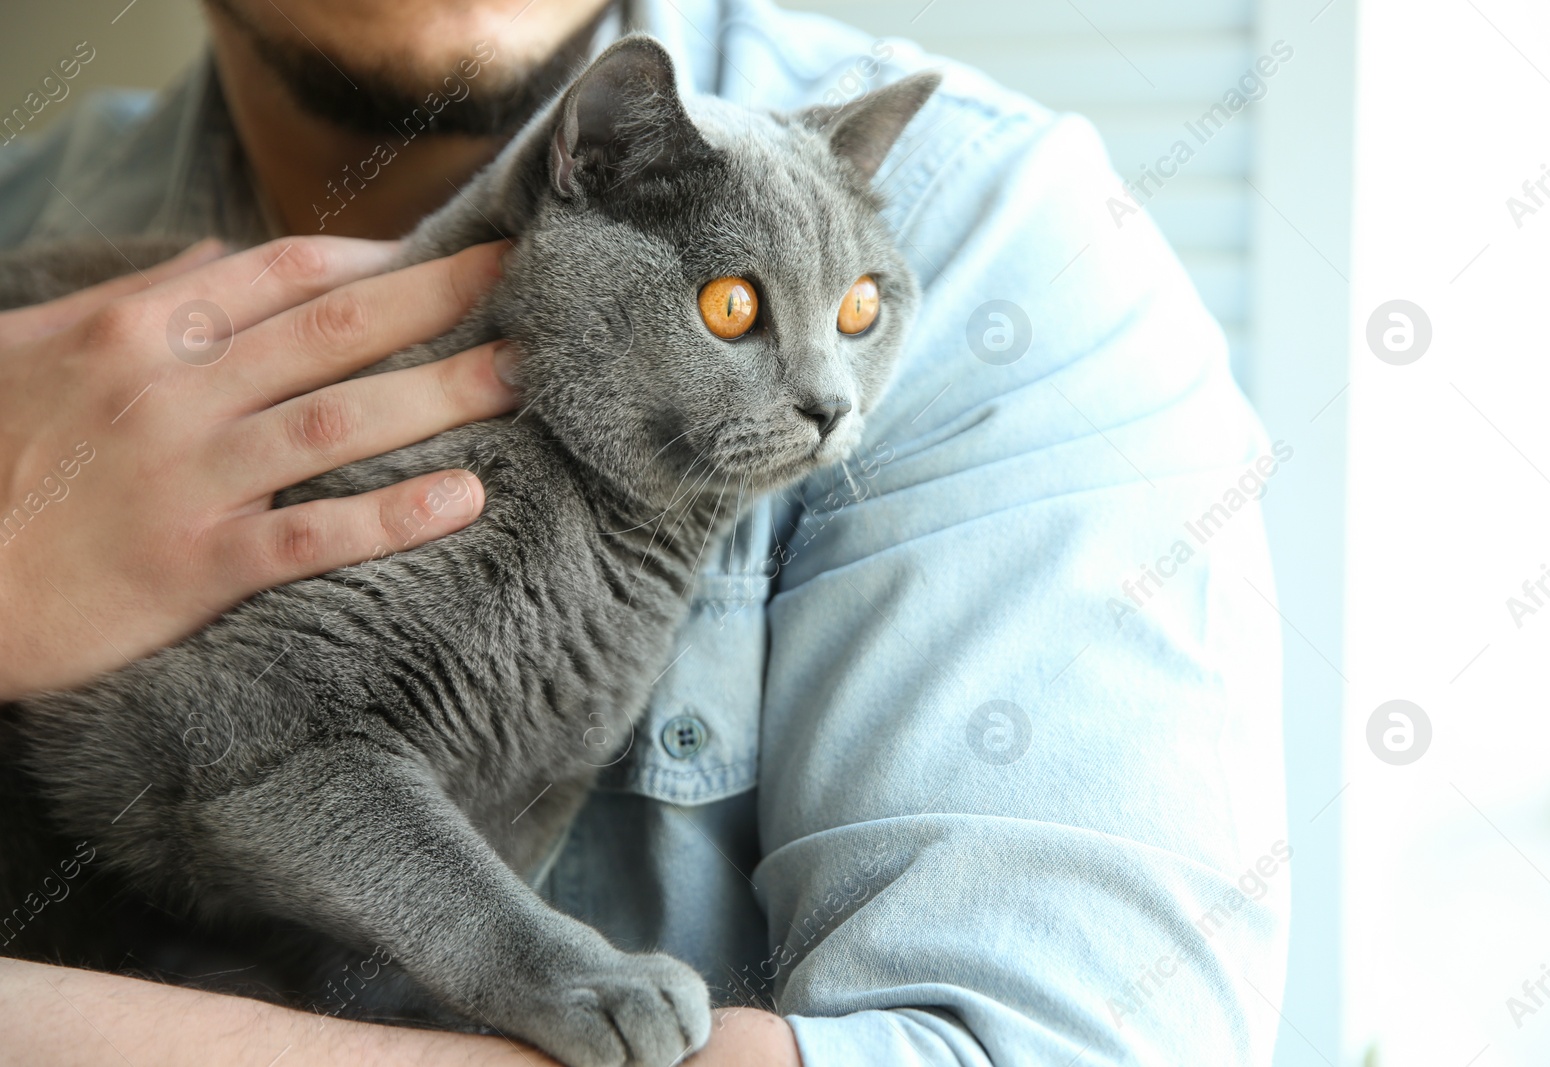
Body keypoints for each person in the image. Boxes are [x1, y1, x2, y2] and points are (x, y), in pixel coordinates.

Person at [0, 0, 1292, 1063]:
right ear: (593, 168)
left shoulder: (1007, 232)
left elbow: (1050, 1045)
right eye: (736, 308)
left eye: (852, 318)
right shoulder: (25, 228)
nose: (824, 397)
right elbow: (267, 758)